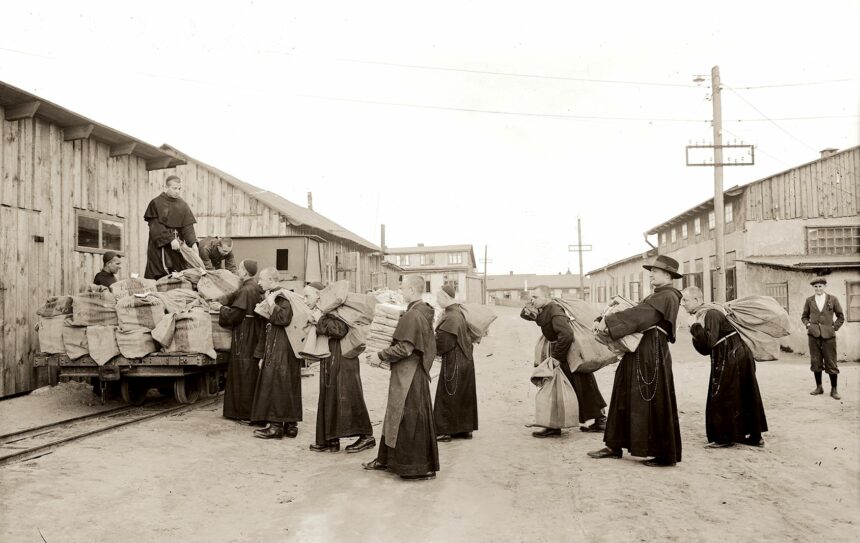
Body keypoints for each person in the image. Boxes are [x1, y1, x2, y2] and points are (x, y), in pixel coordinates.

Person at [588, 255, 683, 467]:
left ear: (668, 275)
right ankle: (614, 445)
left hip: (650, 352)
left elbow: (640, 316)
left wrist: (608, 320)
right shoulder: (658, 295)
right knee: (623, 390)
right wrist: (606, 317)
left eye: (655, 271)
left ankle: (664, 455)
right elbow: (637, 314)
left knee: (651, 398)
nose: (651, 274)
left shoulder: (667, 295)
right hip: (641, 349)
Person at [362, 275, 439, 481]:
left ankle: (414, 467)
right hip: (414, 372)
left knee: (407, 419)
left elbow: (405, 348)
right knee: (396, 416)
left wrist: (380, 355)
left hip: (408, 375)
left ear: (413, 290)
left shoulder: (413, 315)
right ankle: (386, 460)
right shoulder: (422, 311)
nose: (400, 291)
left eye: (403, 288)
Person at [682, 286, 768, 448]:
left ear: (697, 300)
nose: (683, 304)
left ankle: (725, 438)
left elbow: (708, 342)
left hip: (732, 356)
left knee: (725, 394)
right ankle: (753, 437)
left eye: (685, 300)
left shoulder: (711, 313)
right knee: (742, 393)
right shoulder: (705, 314)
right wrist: (694, 329)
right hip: (733, 355)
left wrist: (694, 327)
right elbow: (705, 349)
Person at [520, 286, 607, 437]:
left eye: (535, 297)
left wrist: (556, 358)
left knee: (556, 387)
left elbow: (566, 334)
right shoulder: (544, 308)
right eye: (531, 297)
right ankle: (600, 420)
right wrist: (530, 305)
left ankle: (554, 426)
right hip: (566, 354)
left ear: (547, 297)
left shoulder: (555, 312)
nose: (532, 300)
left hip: (565, 355)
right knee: (584, 384)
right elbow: (526, 316)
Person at [311, 311, 375, 453]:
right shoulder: (332, 310)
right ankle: (331, 439)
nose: (307, 300)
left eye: (309, 296)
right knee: (330, 393)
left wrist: (319, 319)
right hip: (334, 355)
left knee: (349, 395)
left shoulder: (341, 310)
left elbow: (339, 330)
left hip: (344, 358)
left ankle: (366, 436)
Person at [250, 267, 301, 439]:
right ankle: (290, 424)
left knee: (276, 384)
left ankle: (276, 427)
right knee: (287, 384)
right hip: (285, 347)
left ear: (272, 280)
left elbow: (283, 320)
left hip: (281, 347)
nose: (259, 282)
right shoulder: (282, 296)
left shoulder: (279, 297)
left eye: (262, 279)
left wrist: (270, 303)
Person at [220, 260, 265, 423]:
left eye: (240, 268)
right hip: (254, 333)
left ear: (245, 272)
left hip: (245, 334)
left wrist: (221, 310)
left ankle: (243, 412)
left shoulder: (246, 290)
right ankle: (246, 411)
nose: (238, 271)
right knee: (249, 371)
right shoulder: (253, 287)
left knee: (243, 372)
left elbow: (235, 315)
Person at [433, 285, 478, 442]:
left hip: (454, 361)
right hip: (465, 360)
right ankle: (464, 429)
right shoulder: (458, 312)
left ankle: (445, 431)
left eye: (438, 297)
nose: (437, 301)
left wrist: (433, 348)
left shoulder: (451, 316)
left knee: (448, 394)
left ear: (445, 297)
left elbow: (444, 342)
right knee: (464, 395)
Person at [143, 175, 198, 280]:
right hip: (160, 247)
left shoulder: (183, 205)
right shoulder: (155, 203)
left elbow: (188, 227)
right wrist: (170, 240)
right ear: (166, 187)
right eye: (174, 188)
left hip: (178, 247)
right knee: (159, 274)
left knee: (178, 275)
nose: (177, 191)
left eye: (179, 188)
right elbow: (155, 226)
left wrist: (193, 244)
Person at [802, 278, 845, 400]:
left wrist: (834, 327)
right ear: (813, 288)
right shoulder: (809, 300)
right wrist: (808, 325)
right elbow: (804, 316)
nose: (818, 289)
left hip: (829, 336)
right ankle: (819, 387)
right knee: (816, 361)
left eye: (820, 286)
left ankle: (834, 389)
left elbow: (841, 317)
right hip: (813, 336)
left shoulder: (833, 299)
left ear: (825, 286)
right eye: (815, 287)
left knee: (831, 361)